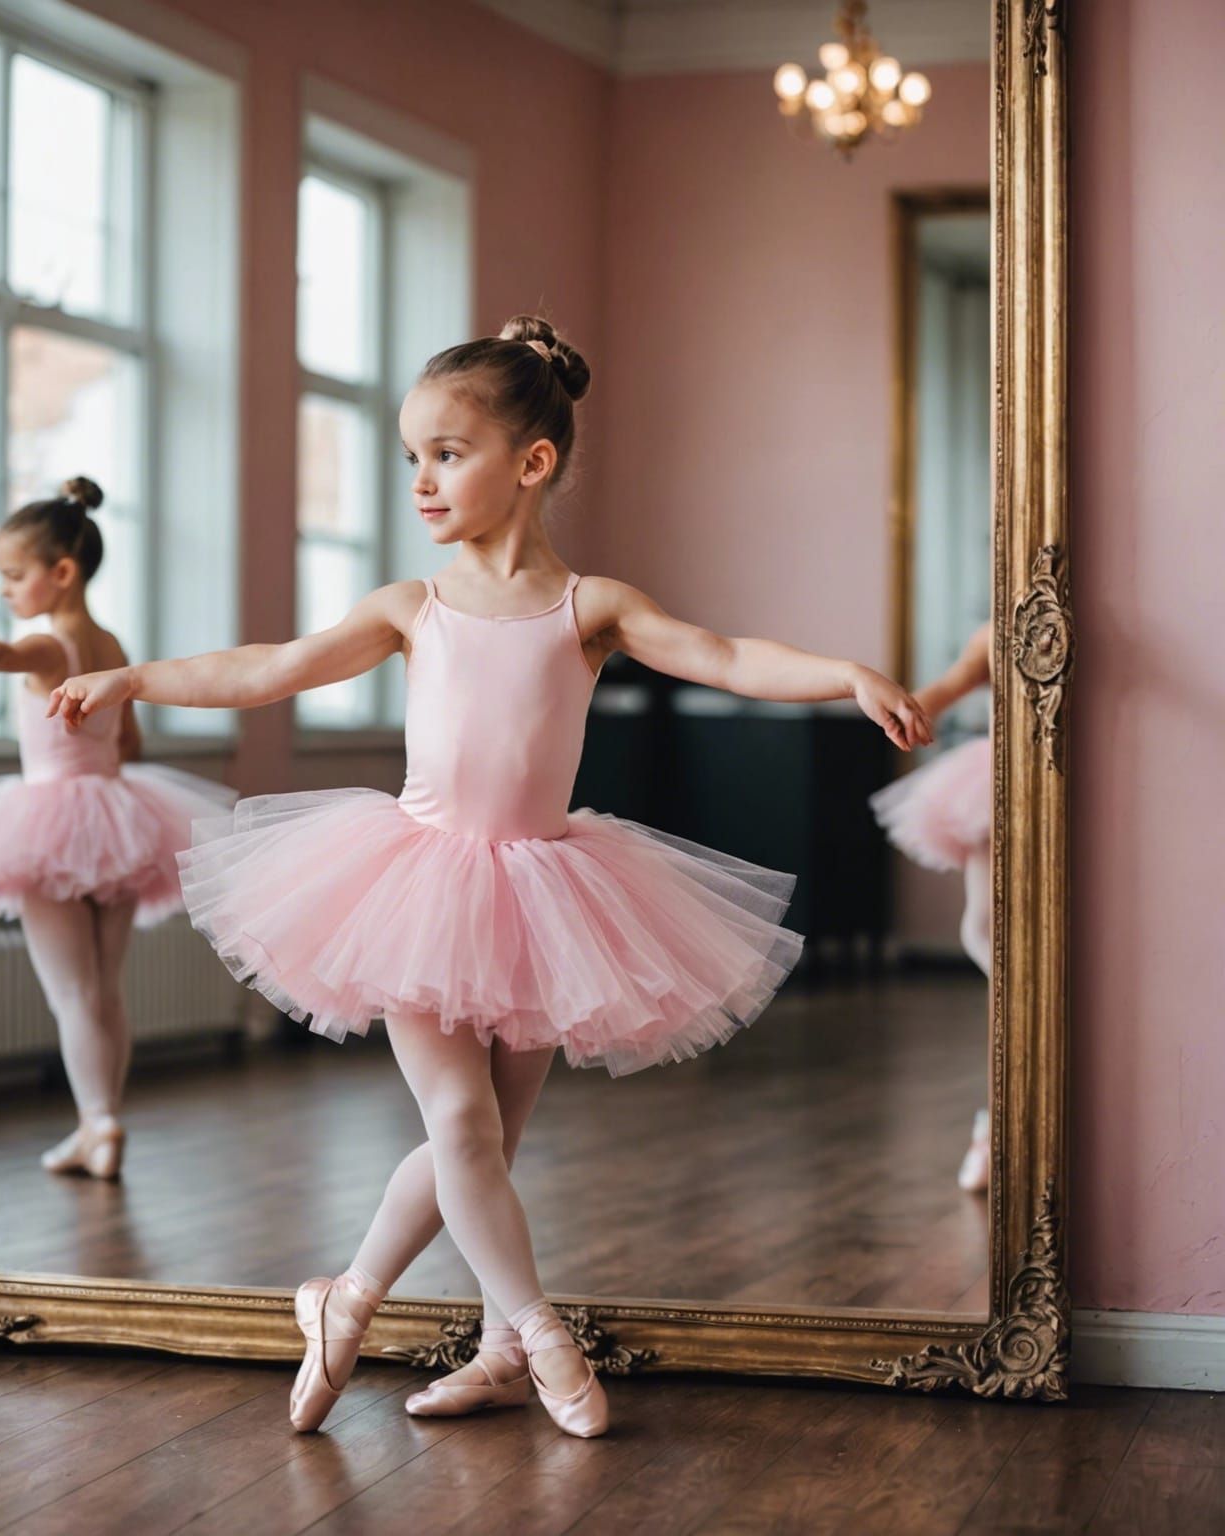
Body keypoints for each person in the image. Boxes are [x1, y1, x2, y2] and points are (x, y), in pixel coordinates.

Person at [46, 318, 933, 1437]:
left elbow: (725, 656)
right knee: (464, 1126)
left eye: (447, 454)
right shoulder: (410, 608)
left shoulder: (591, 606)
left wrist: (847, 674)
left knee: (481, 1152)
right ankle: (542, 1335)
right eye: (410, 456)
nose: (420, 480)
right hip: (415, 888)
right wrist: (132, 679)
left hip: (545, 898)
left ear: (532, 462)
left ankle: (378, 1310)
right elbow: (269, 667)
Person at [0, 476, 237, 1181]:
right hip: (119, 815)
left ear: (61, 572)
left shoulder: (51, 644)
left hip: (49, 823)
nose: (5, 589)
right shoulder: (111, 642)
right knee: (105, 989)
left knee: (71, 994)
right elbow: (130, 741)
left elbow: (8, 657)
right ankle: (99, 1125)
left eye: (13, 575)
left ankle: (99, 1123)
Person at [870, 620, 992, 1192]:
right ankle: (993, 1120)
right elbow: (952, 684)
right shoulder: (994, 634)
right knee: (982, 929)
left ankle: (994, 1120)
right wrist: (908, 708)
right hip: (999, 776)